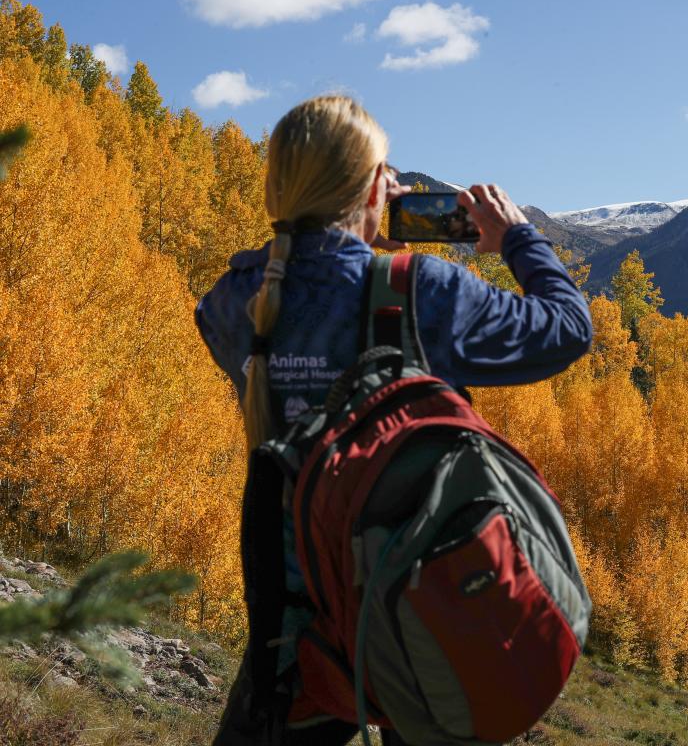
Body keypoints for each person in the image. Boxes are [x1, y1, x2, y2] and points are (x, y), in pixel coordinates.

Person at [195, 95, 593, 745]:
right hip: (422, 605)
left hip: (297, 638)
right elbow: (568, 330)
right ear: (372, 187)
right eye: (386, 170)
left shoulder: (236, 299)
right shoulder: (424, 291)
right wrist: (517, 238)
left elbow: (244, 327)